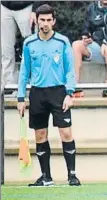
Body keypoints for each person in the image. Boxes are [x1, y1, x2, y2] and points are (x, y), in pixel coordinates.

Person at [16, 4, 81, 187]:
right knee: (40, 135)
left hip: (58, 92)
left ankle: (72, 176)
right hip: (37, 93)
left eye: (48, 20)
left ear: (54, 21)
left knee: (66, 133)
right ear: (36, 20)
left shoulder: (62, 42)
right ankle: (46, 177)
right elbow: (24, 73)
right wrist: (21, 98)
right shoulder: (29, 43)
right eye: (42, 20)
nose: (45, 23)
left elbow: (70, 70)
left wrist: (70, 93)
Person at [1, 1, 42, 97]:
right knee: (6, 51)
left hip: (27, 7)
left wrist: (35, 9)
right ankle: (9, 86)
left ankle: (36, 85)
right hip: (4, 7)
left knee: (33, 50)